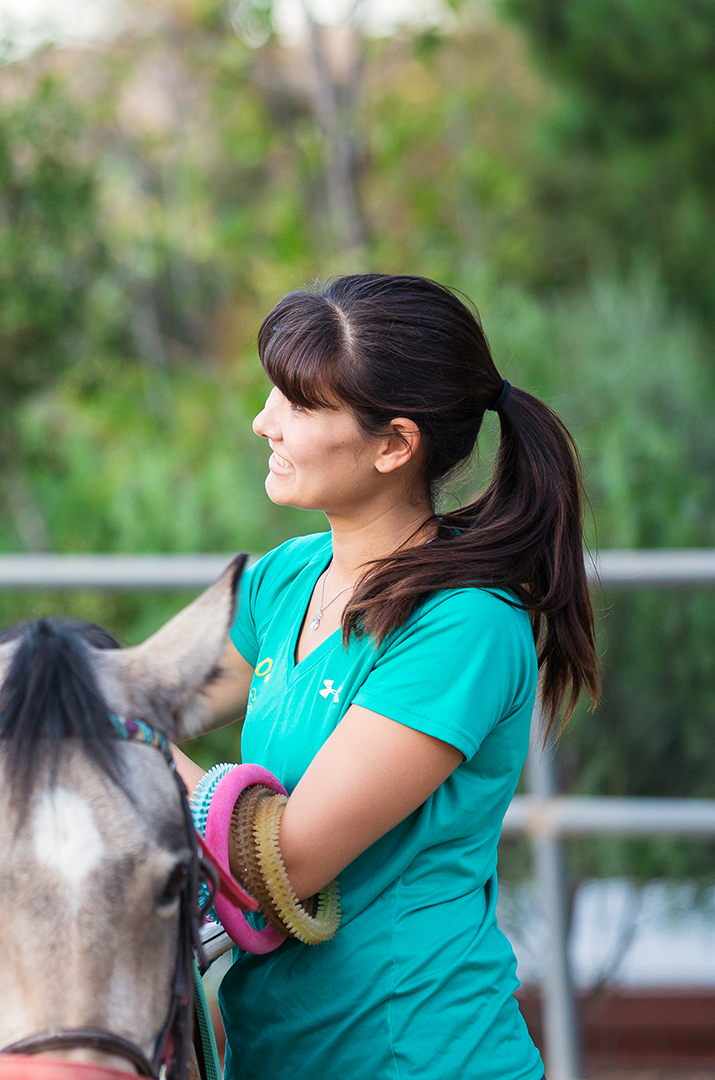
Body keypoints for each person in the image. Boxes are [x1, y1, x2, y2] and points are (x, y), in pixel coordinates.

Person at [175, 274, 598, 1077]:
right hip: (273, 1057)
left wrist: (108, 732)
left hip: (419, 1057)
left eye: (298, 407)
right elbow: (137, 697)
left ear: (394, 445)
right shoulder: (284, 578)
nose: (262, 422)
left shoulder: (464, 624)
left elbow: (286, 863)